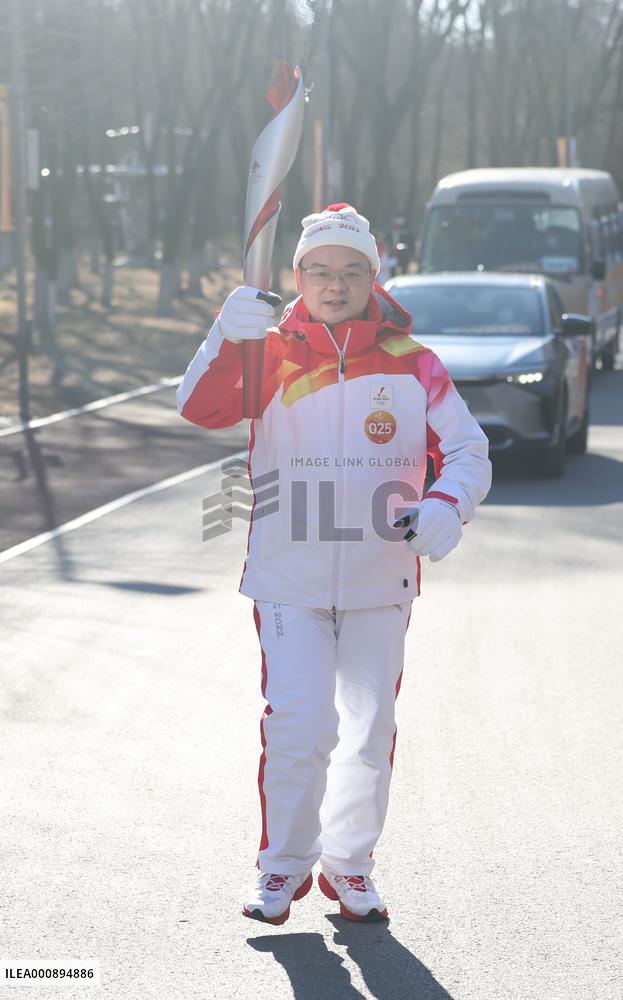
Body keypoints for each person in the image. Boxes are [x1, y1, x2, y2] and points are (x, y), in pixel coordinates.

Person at [176, 204, 492, 925]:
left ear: (372, 277)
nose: (335, 283)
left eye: (351, 271)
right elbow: (198, 408)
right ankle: (282, 867)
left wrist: (446, 505)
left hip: (381, 578)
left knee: (368, 727)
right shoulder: (268, 352)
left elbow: (469, 453)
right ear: (299, 277)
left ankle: (350, 867)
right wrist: (223, 336)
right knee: (299, 722)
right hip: (289, 577)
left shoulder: (413, 361)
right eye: (320, 270)